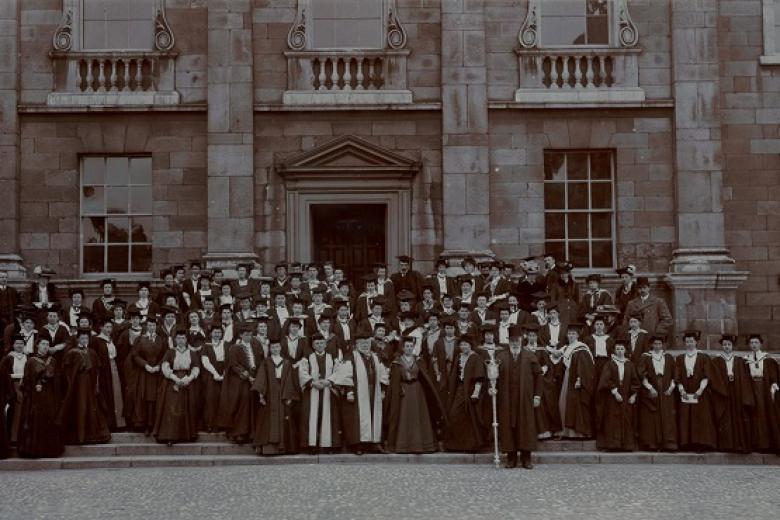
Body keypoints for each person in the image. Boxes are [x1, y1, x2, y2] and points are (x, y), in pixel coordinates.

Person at [386, 335, 446, 454]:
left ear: (413, 347)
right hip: (403, 392)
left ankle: (420, 445)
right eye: (406, 346)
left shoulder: (419, 360)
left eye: (411, 346)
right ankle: (403, 446)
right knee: (404, 417)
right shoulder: (397, 362)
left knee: (418, 416)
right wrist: (399, 389)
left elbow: (424, 377)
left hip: (417, 392)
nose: (409, 348)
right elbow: (394, 380)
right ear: (402, 348)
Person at [495, 325, 542, 469]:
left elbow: (538, 376)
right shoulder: (501, 356)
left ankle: (526, 459)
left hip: (525, 398)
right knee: (509, 426)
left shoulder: (529, 356)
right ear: (509, 341)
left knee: (525, 426)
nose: (515, 343)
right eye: (512, 340)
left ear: (521, 340)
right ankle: (511, 458)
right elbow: (493, 376)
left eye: (517, 340)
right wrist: (492, 388)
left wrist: (537, 396)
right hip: (507, 399)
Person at [298, 332, 348, 453]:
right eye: (317, 343)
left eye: (321, 343)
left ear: (325, 344)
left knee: (330, 417)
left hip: (328, 391)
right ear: (313, 345)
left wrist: (328, 381)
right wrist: (312, 382)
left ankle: (328, 445)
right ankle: (311, 445)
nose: (320, 345)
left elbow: (338, 372)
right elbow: (302, 372)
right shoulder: (307, 358)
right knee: (310, 417)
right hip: (312, 391)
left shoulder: (332, 358)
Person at [59, 328, 111, 445]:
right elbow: (67, 370)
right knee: (80, 407)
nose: (84, 340)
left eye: (86, 338)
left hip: (90, 384)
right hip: (78, 385)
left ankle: (92, 435)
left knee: (92, 407)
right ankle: (79, 436)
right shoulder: (72, 352)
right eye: (82, 338)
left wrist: (96, 385)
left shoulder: (92, 352)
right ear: (78, 339)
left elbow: (97, 370)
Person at [341, 331, 388, 455]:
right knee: (358, 419)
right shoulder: (351, 356)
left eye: (367, 343)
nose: (365, 345)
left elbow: (383, 374)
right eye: (361, 343)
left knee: (374, 416)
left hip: (374, 392)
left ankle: (375, 443)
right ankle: (358, 445)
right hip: (358, 392)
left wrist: (382, 389)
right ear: (356, 344)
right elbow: (346, 374)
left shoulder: (375, 356)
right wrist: (349, 391)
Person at [252, 336, 299, 455]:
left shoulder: (287, 362)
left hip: (283, 392)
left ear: (280, 347)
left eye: (277, 347)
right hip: (269, 393)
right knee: (267, 419)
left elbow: (290, 380)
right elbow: (261, 379)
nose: (275, 349)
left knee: (284, 418)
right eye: (272, 347)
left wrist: (288, 396)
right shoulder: (266, 362)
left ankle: (283, 448)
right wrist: (261, 395)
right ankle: (268, 449)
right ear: (270, 349)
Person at [18, 338, 64, 458]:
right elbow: (26, 380)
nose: (45, 346)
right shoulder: (31, 361)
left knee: (49, 419)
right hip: (35, 396)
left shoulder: (52, 360)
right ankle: (35, 450)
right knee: (36, 420)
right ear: (37, 345)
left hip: (50, 395)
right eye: (43, 344)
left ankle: (50, 450)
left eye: (47, 344)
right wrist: (35, 384)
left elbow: (58, 378)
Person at [153, 328, 200, 446]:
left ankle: (186, 435)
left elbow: (196, 367)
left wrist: (188, 379)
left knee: (186, 407)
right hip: (172, 381)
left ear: (186, 340)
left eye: (183, 338)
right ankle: (170, 436)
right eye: (178, 338)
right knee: (172, 408)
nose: (181, 340)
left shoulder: (192, 353)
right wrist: (175, 379)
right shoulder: (170, 352)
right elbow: (165, 366)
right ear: (175, 339)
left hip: (187, 381)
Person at [218, 324, 262, 444]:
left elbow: (259, 361)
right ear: (241, 335)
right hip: (240, 381)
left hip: (254, 379)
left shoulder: (256, 345)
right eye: (246, 335)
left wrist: (256, 376)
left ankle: (251, 433)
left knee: (252, 405)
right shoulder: (235, 348)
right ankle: (238, 433)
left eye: (250, 335)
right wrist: (246, 375)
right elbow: (233, 364)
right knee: (241, 404)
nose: (248, 337)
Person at [709, 334, 752, 453]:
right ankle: (726, 445)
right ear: (722, 346)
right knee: (726, 418)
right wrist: (721, 389)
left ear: (732, 346)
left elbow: (744, 377)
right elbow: (714, 377)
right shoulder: (717, 360)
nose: (726, 347)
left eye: (729, 345)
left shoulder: (739, 360)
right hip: (723, 392)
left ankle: (739, 445)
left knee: (738, 417)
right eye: (724, 345)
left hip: (737, 391)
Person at [674, 330, 716, 451]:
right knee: (686, 416)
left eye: (691, 341)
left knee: (700, 417)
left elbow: (707, 375)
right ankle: (687, 443)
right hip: (686, 391)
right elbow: (677, 376)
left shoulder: (703, 357)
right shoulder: (681, 358)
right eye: (687, 341)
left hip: (699, 391)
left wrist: (700, 390)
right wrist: (681, 390)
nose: (689, 343)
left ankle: (701, 443)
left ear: (696, 342)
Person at [443, 335, 485, 452]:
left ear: (470, 345)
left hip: (471, 390)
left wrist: (476, 393)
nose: (463, 347)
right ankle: (457, 445)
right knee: (454, 414)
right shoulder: (459, 357)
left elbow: (479, 377)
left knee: (470, 417)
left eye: (466, 345)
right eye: (461, 345)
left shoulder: (476, 358)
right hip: (460, 389)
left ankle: (471, 445)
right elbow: (454, 375)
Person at [596, 338, 639, 451]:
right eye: (618, 349)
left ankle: (626, 445)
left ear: (625, 350)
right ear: (614, 350)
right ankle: (613, 445)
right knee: (612, 419)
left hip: (626, 396)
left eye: (622, 349)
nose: (620, 351)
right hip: (612, 397)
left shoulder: (629, 364)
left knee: (626, 419)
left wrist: (633, 395)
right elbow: (606, 380)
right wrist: (615, 392)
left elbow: (635, 381)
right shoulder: (610, 364)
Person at [636, 335, 677, 451]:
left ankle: (668, 444)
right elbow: (641, 374)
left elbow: (675, 373)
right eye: (655, 344)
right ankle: (652, 443)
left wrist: (671, 387)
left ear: (662, 345)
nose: (657, 346)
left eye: (659, 344)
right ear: (652, 345)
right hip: (652, 387)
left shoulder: (668, 357)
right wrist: (649, 387)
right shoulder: (646, 357)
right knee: (652, 416)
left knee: (667, 415)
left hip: (666, 387)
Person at [125, 318, 165, 435]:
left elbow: (165, 355)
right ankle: (145, 424)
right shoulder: (140, 339)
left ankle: (154, 425)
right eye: (149, 325)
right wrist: (145, 365)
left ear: (156, 327)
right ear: (146, 326)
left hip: (157, 373)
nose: (151, 327)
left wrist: (159, 366)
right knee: (144, 397)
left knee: (155, 398)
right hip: (144, 373)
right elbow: (135, 355)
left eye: (153, 325)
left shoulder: (161, 339)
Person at [741, 334, 780, 452]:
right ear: (749, 345)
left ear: (760, 344)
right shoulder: (745, 360)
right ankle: (756, 444)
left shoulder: (767, 359)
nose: (754, 345)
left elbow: (773, 377)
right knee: (754, 415)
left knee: (765, 414)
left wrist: (773, 387)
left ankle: (768, 445)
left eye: (756, 342)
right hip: (751, 388)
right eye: (752, 343)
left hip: (764, 390)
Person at [558, 323, 594, 439]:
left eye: (573, 334)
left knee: (576, 404)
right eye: (569, 334)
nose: (571, 336)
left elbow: (584, 366)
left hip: (576, 379)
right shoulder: (567, 348)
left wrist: (579, 379)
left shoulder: (581, 348)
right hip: (567, 377)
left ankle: (578, 433)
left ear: (578, 335)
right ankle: (567, 431)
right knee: (564, 403)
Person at [93, 320, 126, 431]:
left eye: (110, 327)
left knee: (116, 393)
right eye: (106, 327)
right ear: (101, 328)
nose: (108, 329)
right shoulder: (97, 341)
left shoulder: (112, 340)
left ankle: (118, 423)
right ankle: (109, 423)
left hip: (114, 369)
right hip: (104, 372)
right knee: (107, 394)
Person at [0, 334, 27, 445]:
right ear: (13, 345)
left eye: (21, 343)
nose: (19, 345)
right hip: (13, 386)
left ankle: (24, 437)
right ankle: (14, 438)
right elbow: (3, 374)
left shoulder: (27, 357)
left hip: (25, 385)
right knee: (16, 410)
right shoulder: (8, 358)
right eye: (17, 343)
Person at [201, 326, 228, 432]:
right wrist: (215, 374)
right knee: (210, 398)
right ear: (211, 333)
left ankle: (221, 424)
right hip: (210, 374)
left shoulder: (226, 344)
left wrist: (225, 373)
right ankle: (209, 424)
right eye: (215, 332)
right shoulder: (206, 346)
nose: (217, 334)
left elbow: (229, 360)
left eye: (219, 332)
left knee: (223, 398)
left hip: (224, 373)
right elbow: (205, 361)